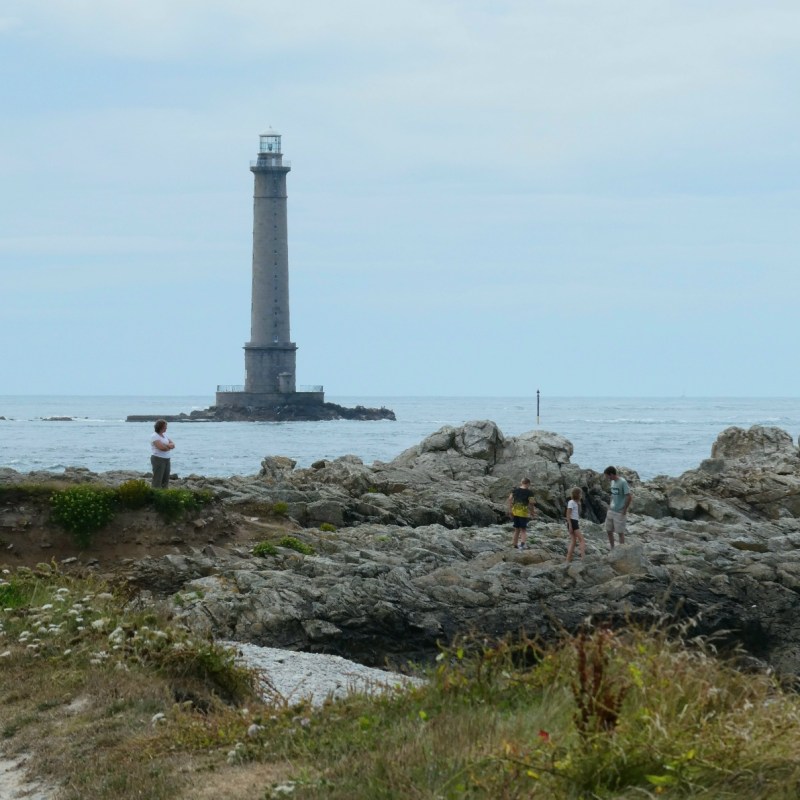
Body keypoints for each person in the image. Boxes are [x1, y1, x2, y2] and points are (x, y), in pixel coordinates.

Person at [603, 466, 632, 548]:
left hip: (619, 511)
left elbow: (629, 496)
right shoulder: (612, 482)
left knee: (620, 532)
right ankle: (612, 548)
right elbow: (613, 495)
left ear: (611, 474)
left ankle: (622, 549)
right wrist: (609, 506)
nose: (606, 478)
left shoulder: (622, 482)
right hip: (611, 510)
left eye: (607, 476)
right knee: (608, 530)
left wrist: (624, 509)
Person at [507, 478, 536, 550]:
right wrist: (532, 512)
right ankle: (522, 545)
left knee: (516, 529)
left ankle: (515, 544)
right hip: (523, 513)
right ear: (528, 483)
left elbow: (510, 499)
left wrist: (510, 510)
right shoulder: (529, 492)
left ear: (521, 483)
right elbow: (531, 503)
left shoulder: (515, 490)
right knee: (523, 529)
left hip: (515, 511)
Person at [150, 419, 175, 489]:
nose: (166, 428)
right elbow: (161, 448)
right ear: (160, 427)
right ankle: (155, 494)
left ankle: (164, 495)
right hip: (158, 459)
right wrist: (168, 446)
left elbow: (173, 444)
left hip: (167, 459)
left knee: (166, 479)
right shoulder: (154, 436)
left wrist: (166, 446)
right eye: (165, 426)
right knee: (158, 479)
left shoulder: (165, 435)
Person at [565, 487, 586, 562]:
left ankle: (568, 559)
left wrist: (579, 503)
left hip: (574, 522)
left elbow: (578, 513)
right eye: (580, 494)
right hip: (572, 522)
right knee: (582, 540)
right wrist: (570, 525)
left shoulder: (576, 503)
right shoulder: (571, 502)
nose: (581, 495)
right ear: (578, 494)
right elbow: (568, 514)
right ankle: (583, 557)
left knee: (573, 541)